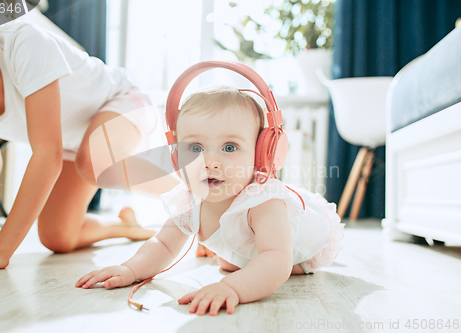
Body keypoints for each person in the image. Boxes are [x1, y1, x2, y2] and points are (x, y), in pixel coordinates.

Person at [76, 84, 345, 316]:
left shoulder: (263, 202)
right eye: (195, 148)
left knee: (273, 263)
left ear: (262, 154)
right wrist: (130, 269)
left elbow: (277, 260)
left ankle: (256, 261)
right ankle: (240, 257)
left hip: (305, 241)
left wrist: (232, 288)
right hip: (255, 245)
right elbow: (163, 245)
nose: (209, 162)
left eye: (229, 147)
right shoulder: (189, 198)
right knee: (234, 262)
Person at [0, 12, 180, 273]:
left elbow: (46, 154)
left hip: (121, 102)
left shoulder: (22, 42)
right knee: (58, 237)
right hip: (69, 144)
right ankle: (125, 226)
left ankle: (198, 198)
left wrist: (0, 251)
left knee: (94, 161)